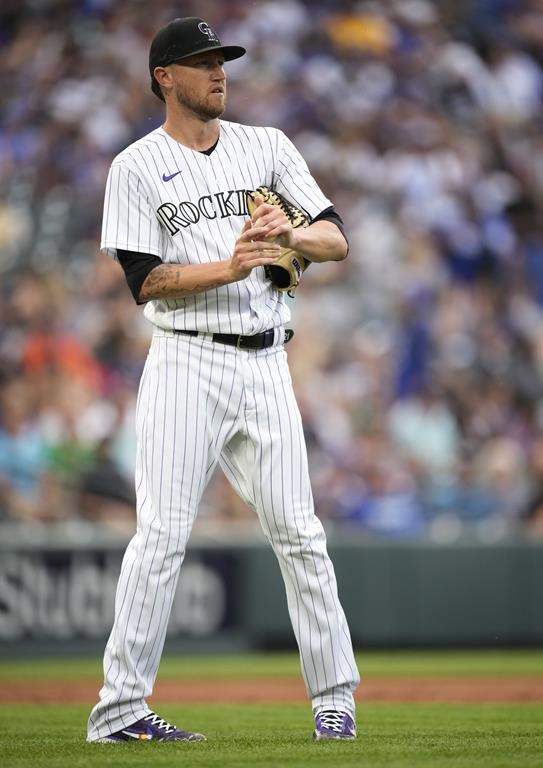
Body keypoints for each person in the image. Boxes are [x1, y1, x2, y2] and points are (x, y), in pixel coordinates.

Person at [87, 16, 360, 744]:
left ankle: (334, 701)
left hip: (267, 357)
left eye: (222, 60)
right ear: (164, 77)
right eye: (201, 61)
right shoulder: (135, 166)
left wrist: (287, 237)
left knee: (301, 534)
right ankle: (119, 713)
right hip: (186, 360)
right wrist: (232, 265)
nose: (218, 72)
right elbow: (145, 282)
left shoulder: (266, 146)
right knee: (162, 536)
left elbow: (334, 237)